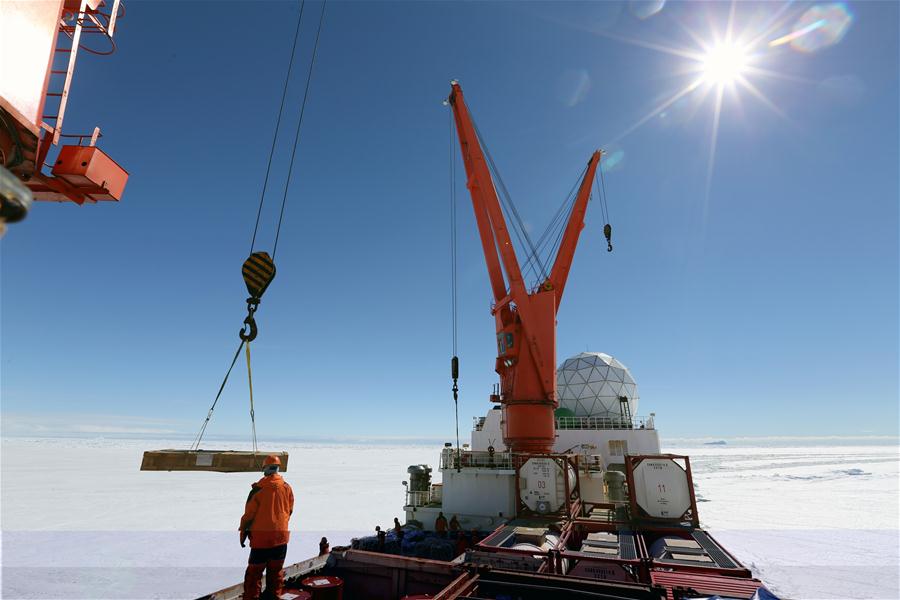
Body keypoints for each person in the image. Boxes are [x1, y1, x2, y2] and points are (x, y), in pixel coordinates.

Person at [239, 455, 294, 600]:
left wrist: (243, 532)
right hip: (281, 539)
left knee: (254, 575)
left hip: (261, 540)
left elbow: (249, 516)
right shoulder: (287, 487)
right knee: (275, 574)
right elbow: (289, 510)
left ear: (265, 468)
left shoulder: (258, 490)